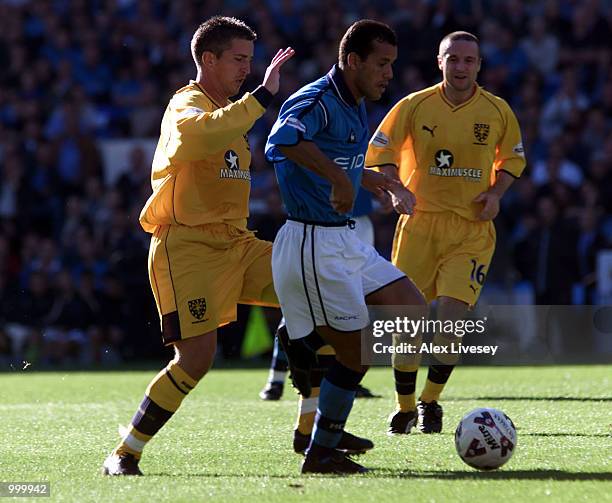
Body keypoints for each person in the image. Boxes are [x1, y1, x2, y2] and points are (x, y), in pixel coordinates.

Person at [102, 16, 294, 476]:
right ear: (208, 60)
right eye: (238, 59)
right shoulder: (186, 105)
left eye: (250, 60)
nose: (247, 69)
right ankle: (124, 453)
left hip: (237, 244)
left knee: (313, 284)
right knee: (196, 358)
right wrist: (262, 96)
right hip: (186, 247)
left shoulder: (228, 111)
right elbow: (195, 137)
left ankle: (317, 438)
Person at [265, 19, 426, 474]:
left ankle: (306, 342)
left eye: (392, 65)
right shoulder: (317, 99)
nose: (388, 74)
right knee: (357, 353)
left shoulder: (355, 102)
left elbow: (342, 160)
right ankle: (321, 450)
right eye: (381, 64)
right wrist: (338, 178)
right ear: (352, 61)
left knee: (410, 306)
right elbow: (282, 140)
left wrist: (375, 180)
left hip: (344, 238)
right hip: (312, 240)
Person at [365, 31, 526, 435]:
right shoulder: (413, 106)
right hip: (419, 225)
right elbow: (381, 151)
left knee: (451, 321)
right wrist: (397, 189)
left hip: (471, 230)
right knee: (407, 324)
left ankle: (430, 402)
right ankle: (403, 406)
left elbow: (513, 158)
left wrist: (496, 193)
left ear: (479, 65)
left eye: (468, 61)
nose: (460, 67)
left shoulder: (497, 111)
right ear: (440, 62)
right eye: (452, 59)